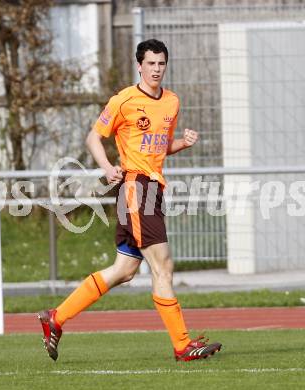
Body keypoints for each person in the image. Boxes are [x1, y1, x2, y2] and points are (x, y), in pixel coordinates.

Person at [38, 39, 222, 362]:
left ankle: (56, 318)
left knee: (124, 270)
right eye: (150, 64)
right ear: (139, 65)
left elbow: (159, 148)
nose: (156, 69)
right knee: (163, 266)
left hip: (153, 189)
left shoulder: (172, 102)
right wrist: (108, 168)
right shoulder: (124, 100)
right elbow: (93, 137)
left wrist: (182, 143)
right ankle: (182, 345)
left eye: (161, 64)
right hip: (136, 188)